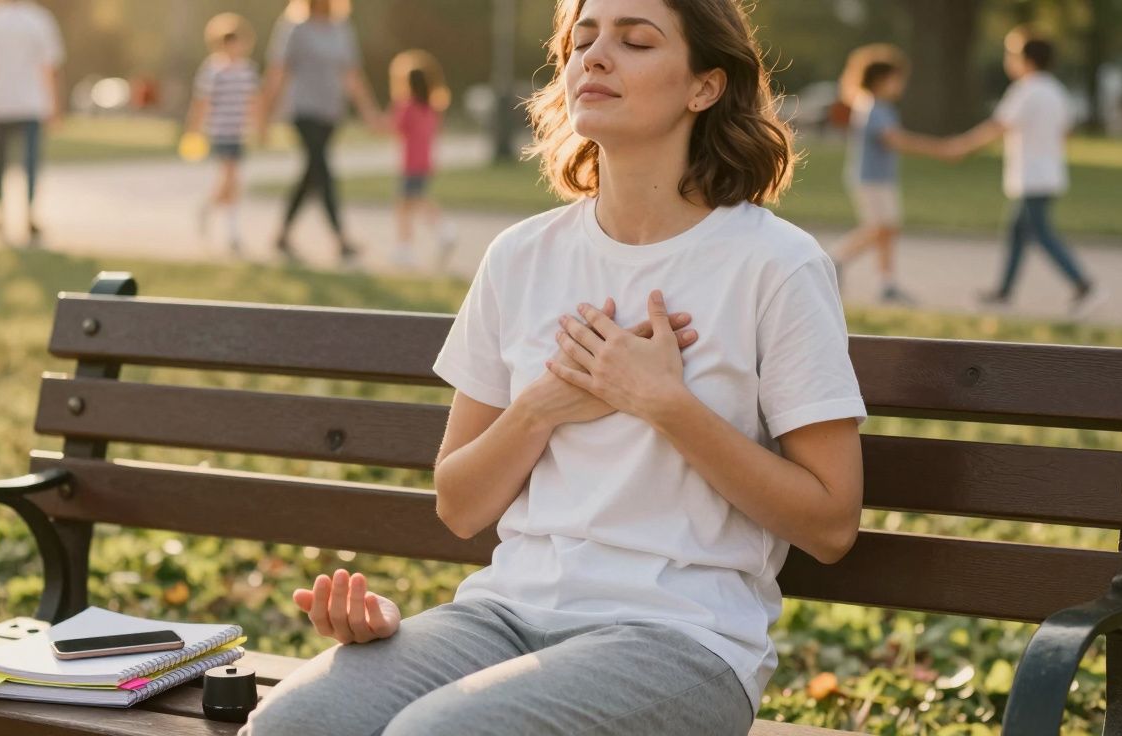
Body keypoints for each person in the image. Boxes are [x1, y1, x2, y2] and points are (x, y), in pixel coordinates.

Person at [242, 0, 867, 734]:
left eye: (635, 42)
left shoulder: (775, 266)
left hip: (681, 640)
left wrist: (665, 403)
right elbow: (460, 502)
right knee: (295, 725)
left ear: (706, 86)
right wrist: (542, 406)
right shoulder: (521, 256)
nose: (595, 57)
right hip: (504, 615)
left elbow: (830, 523)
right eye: (583, 39)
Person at [946, 28, 1106, 319]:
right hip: (1049, 174)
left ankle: (1084, 286)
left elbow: (998, 126)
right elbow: (1067, 131)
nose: (1008, 60)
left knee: (1041, 234)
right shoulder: (1055, 90)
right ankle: (1003, 292)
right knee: (1018, 233)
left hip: (1032, 177)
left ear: (1026, 59)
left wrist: (963, 146)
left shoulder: (1025, 90)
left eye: (1011, 53)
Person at [830, 44, 959, 305]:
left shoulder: (880, 108)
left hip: (880, 179)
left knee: (886, 229)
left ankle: (885, 282)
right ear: (880, 80)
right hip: (870, 180)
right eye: (896, 79)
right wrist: (939, 149)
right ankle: (834, 260)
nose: (901, 85)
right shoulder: (874, 108)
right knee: (880, 229)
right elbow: (895, 140)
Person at [258, 0, 383, 267]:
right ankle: (341, 239)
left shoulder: (341, 28)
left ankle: (282, 234)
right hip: (303, 111)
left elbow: (351, 74)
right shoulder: (294, 28)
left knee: (312, 172)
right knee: (323, 169)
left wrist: (370, 113)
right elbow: (278, 71)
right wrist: (264, 116)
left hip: (330, 113)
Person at [0, 0, 64, 248]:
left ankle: (1, 215)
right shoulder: (40, 18)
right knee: (29, 164)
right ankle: (27, 215)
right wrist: (54, 105)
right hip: (31, 103)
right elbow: (49, 66)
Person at [186, 17, 262, 256]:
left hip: (238, 131)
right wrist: (194, 129)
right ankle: (233, 233)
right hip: (219, 130)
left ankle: (208, 210)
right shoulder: (213, 70)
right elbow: (202, 102)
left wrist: (259, 127)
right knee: (231, 178)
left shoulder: (247, 71)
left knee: (231, 183)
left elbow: (253, 101)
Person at [386, 50, 457, 272]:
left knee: (407, 204)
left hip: (410, 164)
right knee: (414, 201)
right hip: (425, 163)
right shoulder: (431, 108)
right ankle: (437, 233)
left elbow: (393, 127)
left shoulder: (406, 107)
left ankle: (407, 248)